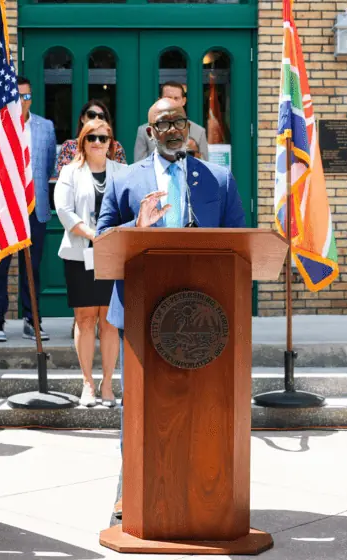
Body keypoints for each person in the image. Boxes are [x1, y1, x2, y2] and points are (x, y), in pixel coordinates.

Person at [97, 96, 246, 519]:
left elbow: (238, 244)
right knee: (139, 409)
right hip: (141, 310)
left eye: (179, 122)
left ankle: (205, 491)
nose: (173, 130)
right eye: (163, 125)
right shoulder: (125, 180)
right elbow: (103, 240)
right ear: (150, 133)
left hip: (203, 314)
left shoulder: (217, 179)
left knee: (205, 405)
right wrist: (136, 227)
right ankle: (129, 495)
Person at [0, 76, 56, 342]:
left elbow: (48, 167)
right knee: (0, 266)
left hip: (35, 209)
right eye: (17, 97)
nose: (22, 102)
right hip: (4, 209)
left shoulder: (45, 127)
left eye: (26, 97)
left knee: (32, 268)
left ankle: (31, 319)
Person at [53, 118, 122, 407]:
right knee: (85, 318)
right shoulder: (70, 172)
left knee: (109, 320)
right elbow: (64, 211)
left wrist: (111, 237)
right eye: (91, 137)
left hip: (113, 254)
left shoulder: (122, 172)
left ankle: (107, 384)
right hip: (81, 253)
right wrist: (94, 234)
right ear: (82, 141)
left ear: (111, 143)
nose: (97, 142)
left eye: (103, 138)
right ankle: (87, 383)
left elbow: (129, 206)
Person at [133, 82, 208, 162]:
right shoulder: (144, 130)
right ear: (159, 100)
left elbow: (205, 165)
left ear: (184, 101)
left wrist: (194, 152)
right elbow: (139, 164)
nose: (172, 101)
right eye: (168, 98)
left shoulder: (199, 131)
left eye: (176, 98)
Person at [56, 100, 127, 173]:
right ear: (82, 119)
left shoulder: (115, 147)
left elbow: (123, 176)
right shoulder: (69, 146)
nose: (96, 119)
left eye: (101, 116)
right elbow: (63, 175)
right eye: (91, 115)